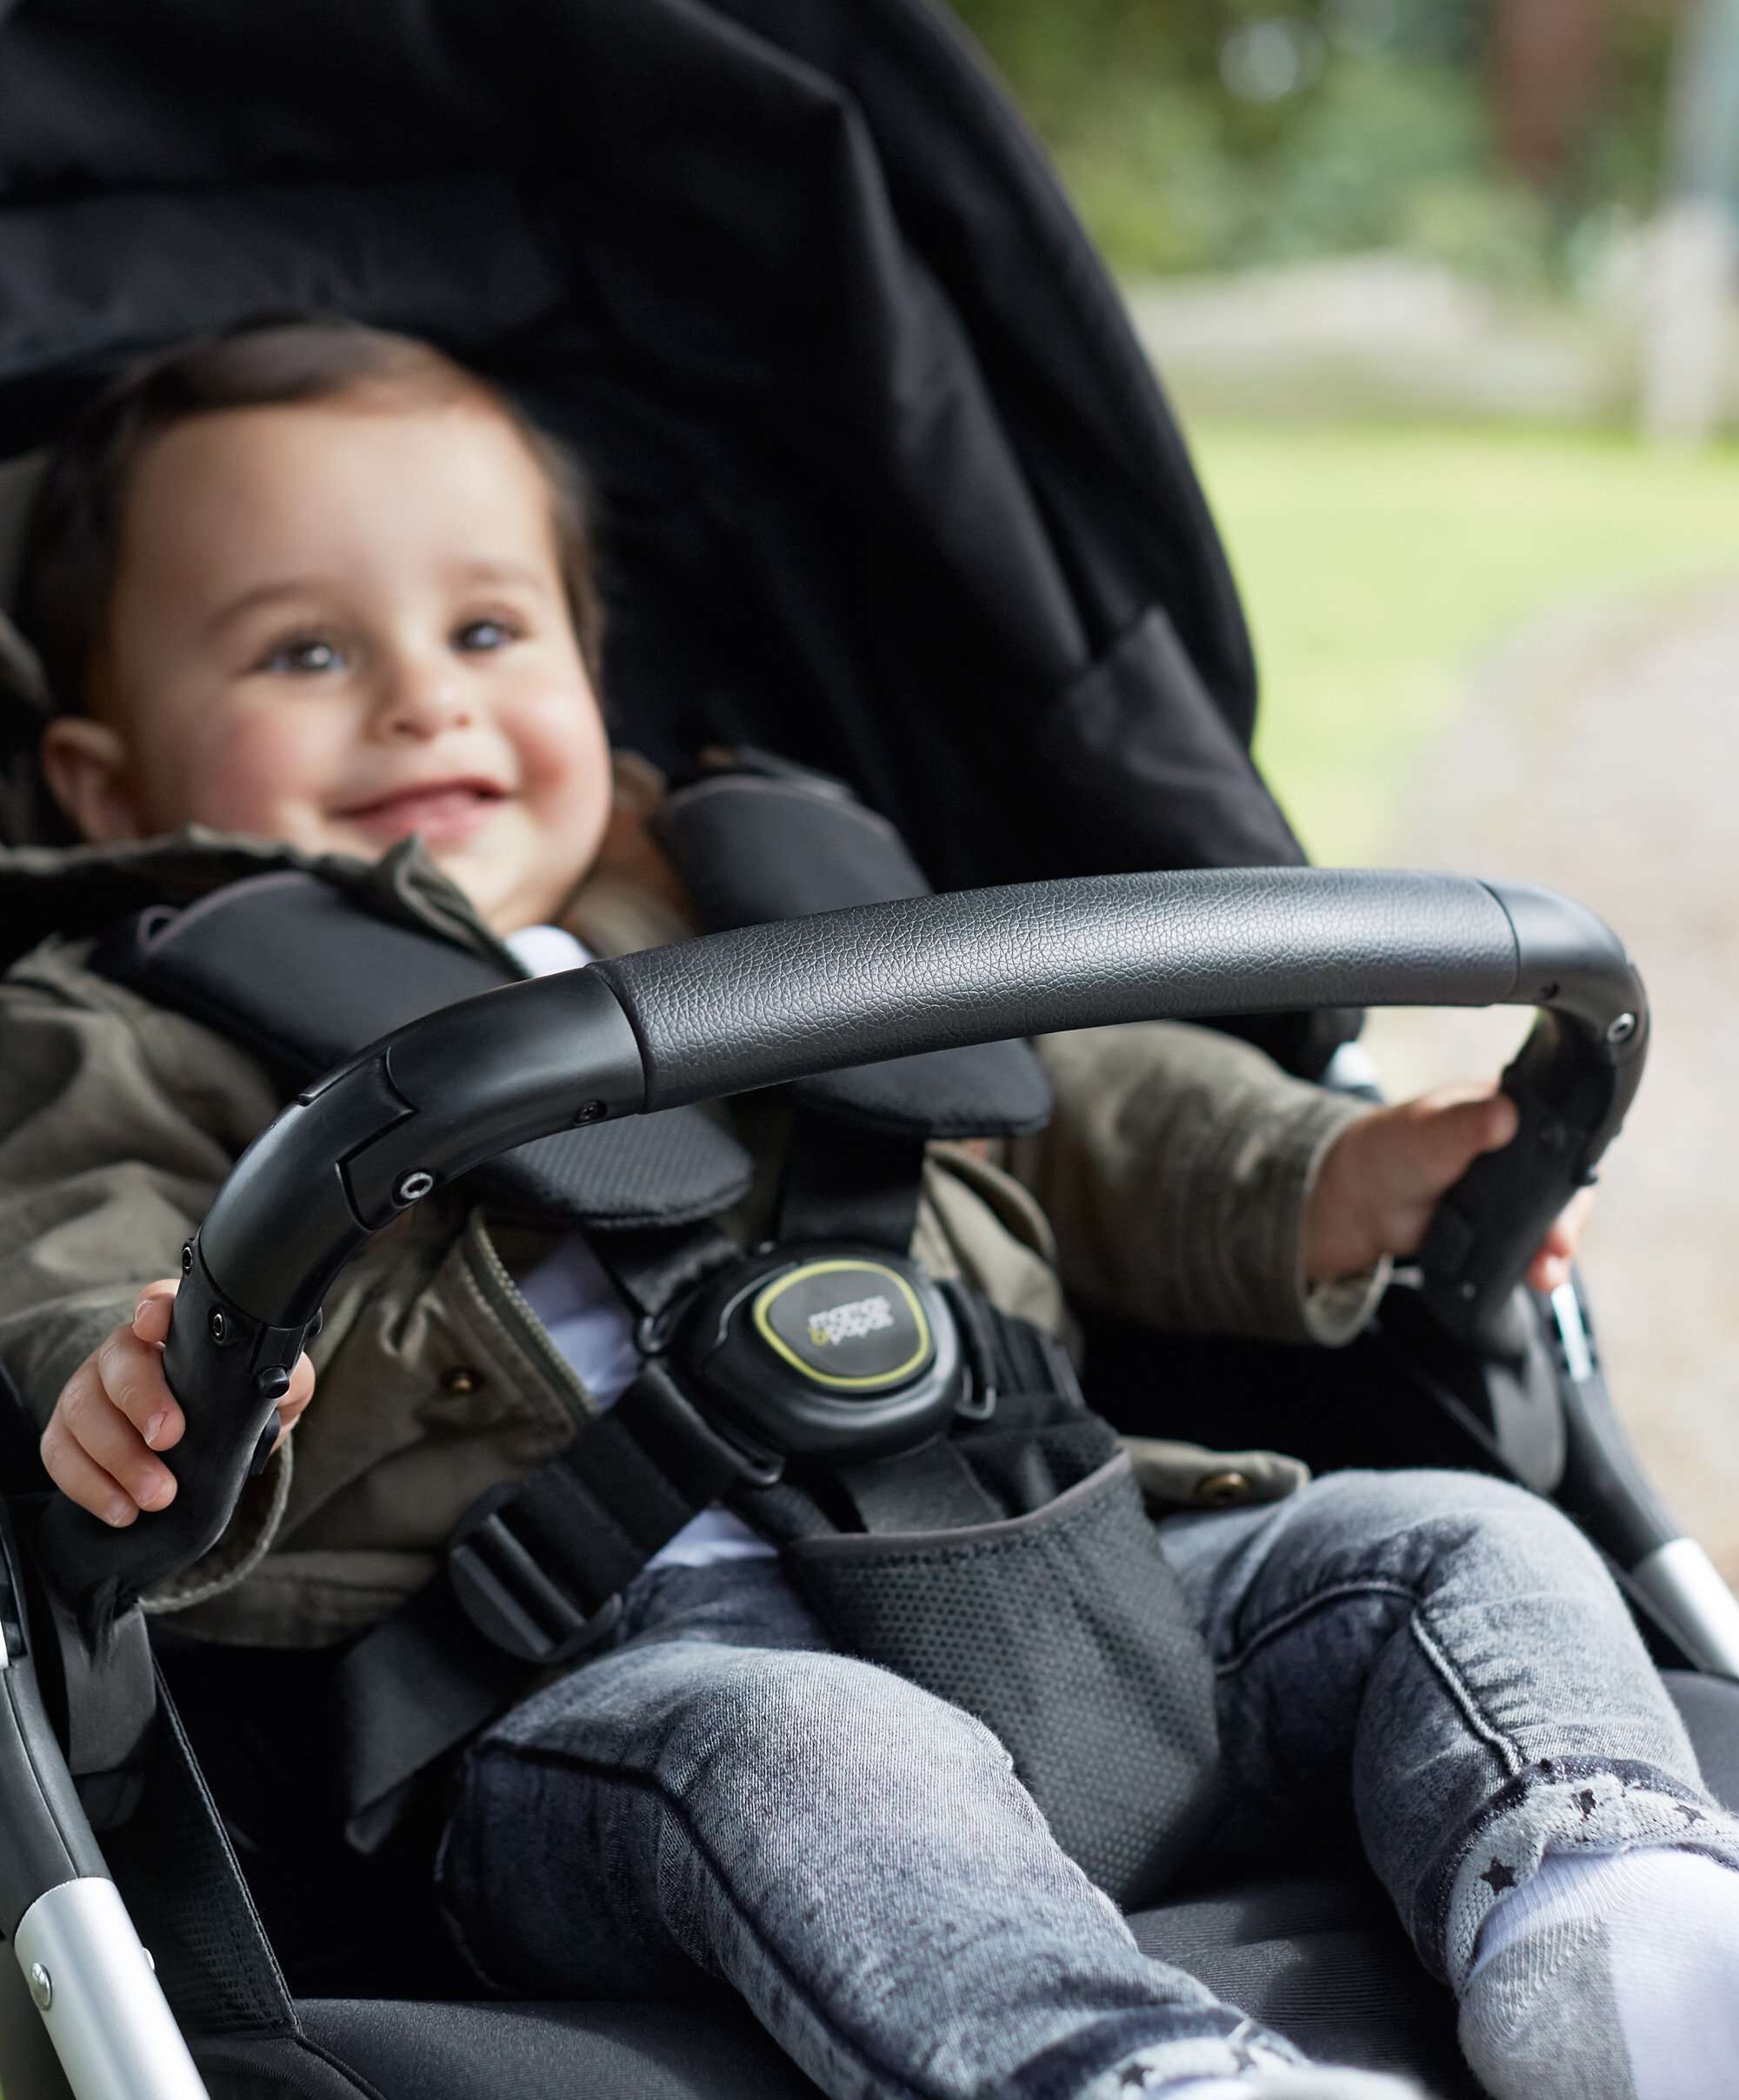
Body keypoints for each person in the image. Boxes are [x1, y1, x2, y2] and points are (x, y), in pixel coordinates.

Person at [0, 317, 1734, 2100]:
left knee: (1456, 1541)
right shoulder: (111, 1024)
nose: (423, 696)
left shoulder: (759, 899)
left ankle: (1622, 1932)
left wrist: (1331, 1171)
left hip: (1072, 1573)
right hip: (580, 1696)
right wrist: (144, 1381)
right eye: (304, 648)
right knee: (812, 1741)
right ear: (104, 777)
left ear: (596, 669)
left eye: (490, 629)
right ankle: (1125, 2067)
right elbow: (57, 1250)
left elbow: (1086, 1094)